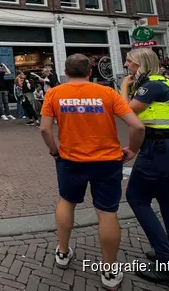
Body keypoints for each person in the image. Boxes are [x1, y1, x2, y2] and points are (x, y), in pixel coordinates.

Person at [40, 54, 145, 290]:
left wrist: (55, 152)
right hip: (107, 161)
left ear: (66, 72)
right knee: (107, 212)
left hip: (70, 160)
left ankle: (64, 252)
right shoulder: (107, 93)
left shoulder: (54, 93)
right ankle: (109, 270)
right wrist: (132, 150)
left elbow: (45, 130)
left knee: (67, 202)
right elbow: (137, 125)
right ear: (90, 72)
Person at [121, 48, 169, 288]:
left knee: (136, 198)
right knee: (168, 199)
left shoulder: (150, 85)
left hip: (156, 149)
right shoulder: (162, 82)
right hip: (167, 145)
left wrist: (123, 86)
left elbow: (125, 111)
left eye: (129, 62)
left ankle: (168, 263)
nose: (126, 65)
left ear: (140, 64)